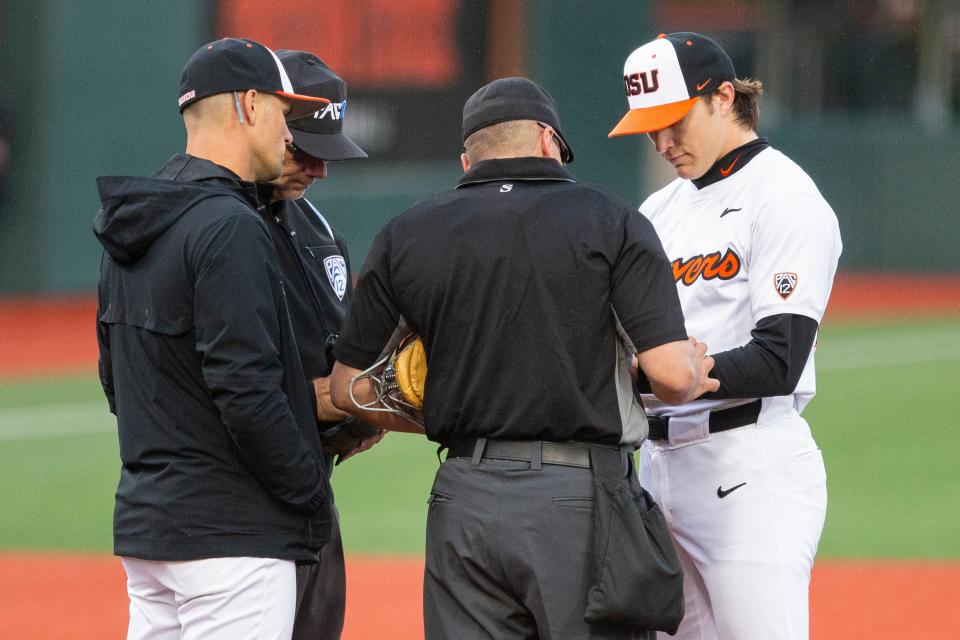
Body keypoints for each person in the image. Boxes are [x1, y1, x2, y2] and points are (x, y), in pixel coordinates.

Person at [329, 77, 718, 639]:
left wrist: (437, 413)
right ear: (546, 140)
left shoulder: (406, 233)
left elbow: (348, 390)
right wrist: (698, 370)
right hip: (577, 500)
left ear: (468, 157)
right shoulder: (612, 220)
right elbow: (672, 377)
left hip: (463, 496)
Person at [93, 38, 335, 640]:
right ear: (250, 106)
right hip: (233, 543)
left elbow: (114, 382)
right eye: (284, 113)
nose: (289, 135)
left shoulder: (137, 217)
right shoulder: (231, 225)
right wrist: (309, 492)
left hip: (152, 531)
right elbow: (247, 392)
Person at [608, 32, 843, 640]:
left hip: (747, 468)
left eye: (674, 121)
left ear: (722, 97)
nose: (662, 142)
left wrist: (648, 378)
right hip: (657, 468)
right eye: (650, 128)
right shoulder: (659, 211)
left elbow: (780, 358)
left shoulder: (784, 197)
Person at [265, 50, 383, 640]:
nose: (320, 169)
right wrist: (309, 398)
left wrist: (358, 412)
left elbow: (341, 347)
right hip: (241, 505)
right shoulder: (209, 227)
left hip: (312, 488)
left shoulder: (317, 228)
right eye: (305, 150)